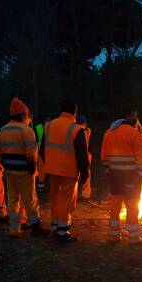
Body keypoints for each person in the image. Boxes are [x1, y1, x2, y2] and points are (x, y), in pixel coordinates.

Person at [0, 97, 49, 237]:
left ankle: (14, 229)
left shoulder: (1, 130)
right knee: (30, 199)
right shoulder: (26, 131)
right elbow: (31, 153)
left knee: (12, 199)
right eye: (27, 115)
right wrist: (32, 168)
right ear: (22, 115)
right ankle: (36, 227)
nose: (28, 118)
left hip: (9, 171)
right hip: (24, 171)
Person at [39, 100, 90, 243]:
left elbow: (42, 150)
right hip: (69, 171)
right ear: (74, 113)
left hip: (52, 169)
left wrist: (50, 163)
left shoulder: (48, 126)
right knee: (66, 201)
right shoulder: (76, 129)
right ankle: (62, 231)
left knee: (54, 198)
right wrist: (85, 173)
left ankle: (55, 226)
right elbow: (82, 155)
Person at [101, 107, 142, 244]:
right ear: (127, 116)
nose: (136, 118)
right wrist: (141, 175)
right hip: (130, 177)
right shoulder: (134, 133)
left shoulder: (109, 132)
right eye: (134, 115)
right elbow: (140, 157)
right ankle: (133, 237)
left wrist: (108, 172)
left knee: (115, 206)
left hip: (115, 177)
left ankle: (113, 234)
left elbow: (104, 157)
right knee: (132, 206)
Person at [76, 114, 93, 200]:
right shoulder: (88, 130)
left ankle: (77, 193)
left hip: (78, 155)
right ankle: (85, 194)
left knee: (76, 175)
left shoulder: (76, 130)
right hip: (86, 155)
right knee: (86, 174)